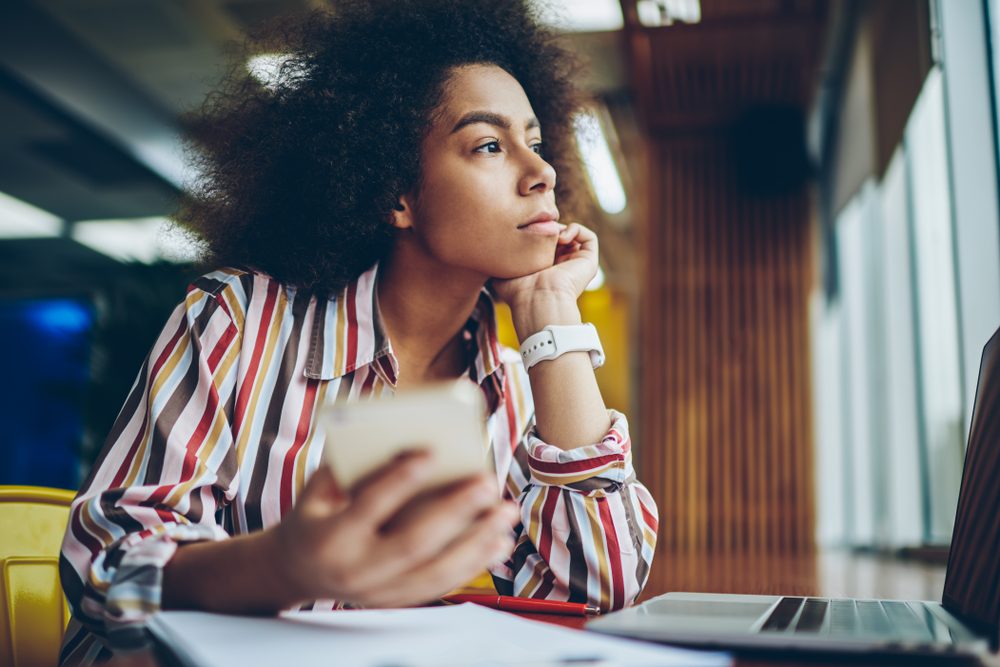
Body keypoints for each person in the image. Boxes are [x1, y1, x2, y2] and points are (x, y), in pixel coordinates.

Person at [59, 1, 658, 663]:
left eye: (535, 141)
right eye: (490, 144)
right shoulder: (238, 320)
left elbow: (597, 593)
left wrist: (551, 313)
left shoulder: (513, 385)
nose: (540, 170)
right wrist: (286, 563)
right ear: (396, 194)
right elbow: (102, 565)